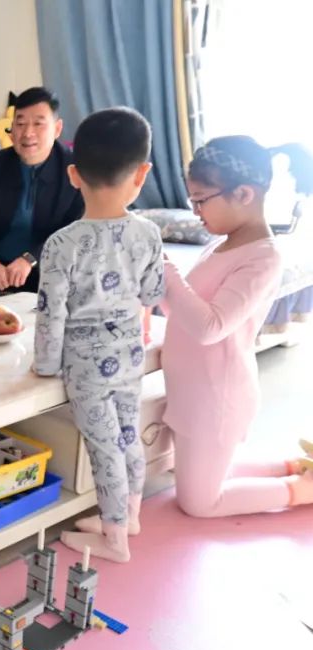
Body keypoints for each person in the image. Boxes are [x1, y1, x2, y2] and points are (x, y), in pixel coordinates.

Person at [152, 136, 313, 518]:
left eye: (201, 199)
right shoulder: (222, 244)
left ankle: (303, 490)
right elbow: (184, 312)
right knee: (194, 476)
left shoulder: (263, 257)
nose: (195, 211)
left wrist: (167, 271)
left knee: (199, 503)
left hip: (216, 398)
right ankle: (295, 467)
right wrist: (158, 283)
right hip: (194, 391)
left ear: (243, 194)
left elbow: (210, 327)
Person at [33, 108, 165, 563]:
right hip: (130, 354)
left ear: (74, 175)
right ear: (142, 173)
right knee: (127, 434)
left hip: (86, 366)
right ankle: (129, 516)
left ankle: (114, 538)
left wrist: (45, 367)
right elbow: (152, 294)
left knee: (104, 446)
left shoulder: (61, 244)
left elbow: (50, 314)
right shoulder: (148, 232)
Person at [0, 87, 84, 297]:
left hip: (44, 267)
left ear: (57, 129)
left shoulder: (75, 170)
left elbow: (73, 231)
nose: (27, 133)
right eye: (20, 124)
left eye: (38, 123)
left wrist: (30, 259)